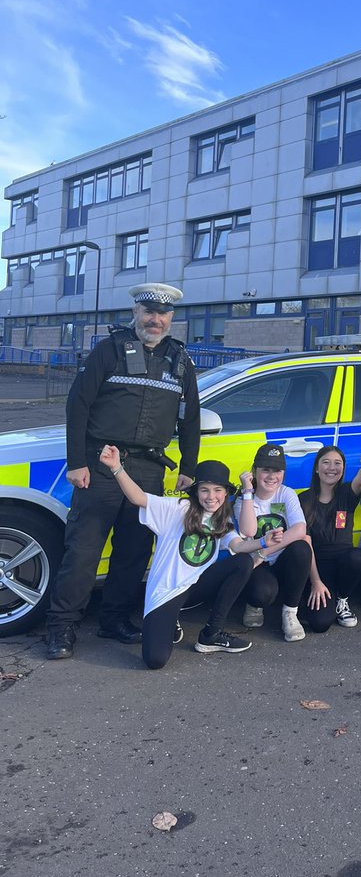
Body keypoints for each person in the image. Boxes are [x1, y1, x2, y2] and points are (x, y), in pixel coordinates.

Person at [46, 283, 200, 661]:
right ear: (135, 313)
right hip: (101, 464)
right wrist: (77, 461)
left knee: (133, 552)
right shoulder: (109, 350)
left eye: (163, 314)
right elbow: (78, 406)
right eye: (149, 312)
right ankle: (61, 626)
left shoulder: (180, 361)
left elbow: (191, 418)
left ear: (171, 318)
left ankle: (114, 619)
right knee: (83, 551)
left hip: (149, 469)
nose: (155, 319)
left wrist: (188, 467)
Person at [99, 448, 268, 669]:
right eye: (205, 490)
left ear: (226, 493)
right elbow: (138, 497)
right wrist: (116, 467)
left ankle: (211, 634)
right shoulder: (178, 508)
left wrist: (264, 542)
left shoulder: (221, 520)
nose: (211, 497)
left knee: (243, 562)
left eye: (217, 490)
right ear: (196, 492)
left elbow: (239, 545)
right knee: (155, 660)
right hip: (166, 593)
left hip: (195, 588)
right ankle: (170, 619)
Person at [298, 442, 361, 633]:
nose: (332, 468)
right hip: (317, 567)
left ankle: (342, 599)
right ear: (317, 468)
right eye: (326, 462)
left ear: (343, 469)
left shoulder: (346, 493)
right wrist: (316, 581)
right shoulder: (303, 499)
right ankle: (320, 596)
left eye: (337, 463)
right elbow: (305, 543)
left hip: (344, 563)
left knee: (358, 557)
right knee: (320, 624)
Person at [236, 443, 312, 642]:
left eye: (277, 471)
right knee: (262, 593)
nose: (272, 476)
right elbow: (248, 531)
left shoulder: (286, 493)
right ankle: (254, 604)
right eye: (266, 470)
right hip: (256, 564)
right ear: (254, 471)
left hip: (274, 558)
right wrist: (247, 492)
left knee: (302, 548)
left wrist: (265, 552)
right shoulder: (243, 499)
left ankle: (290, 612)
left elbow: (299, 529)